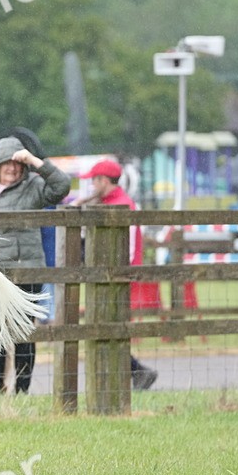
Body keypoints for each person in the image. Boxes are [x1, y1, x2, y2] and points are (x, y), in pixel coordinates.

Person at [0, 136, 72, 394]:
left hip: (25, 271)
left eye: (17, 164)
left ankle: (22, 389)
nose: (13, 169)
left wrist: (35, 162)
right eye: (8, 163)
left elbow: (61, 186)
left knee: (23, 333)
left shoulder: (33, 187)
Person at [71, 159, 159, 390]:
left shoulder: (122, 205)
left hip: (115, 278)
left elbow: (128, 249)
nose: (91, 185)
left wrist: (120, 275)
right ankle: (126, 374)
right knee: (104, 328)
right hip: (106, 276)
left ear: (103, 180)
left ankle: (136, 372)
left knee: (108, 329)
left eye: (94, 180)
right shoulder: (108, 202)